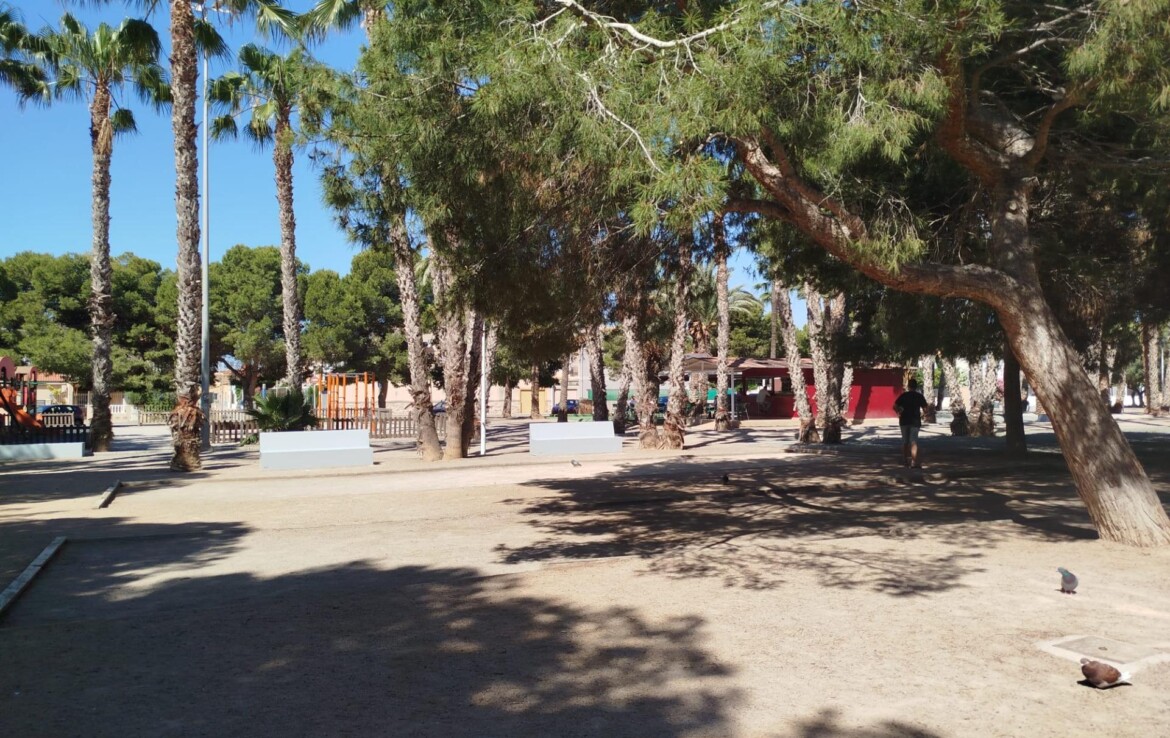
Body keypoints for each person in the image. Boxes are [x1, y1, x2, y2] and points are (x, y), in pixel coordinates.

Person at [894, 378, 930, 468]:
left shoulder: (903, 396)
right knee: (913, 441)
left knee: (905, 441)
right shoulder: (919, 396)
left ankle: (905, 460)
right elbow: (926, 409)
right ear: (916, 386)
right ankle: (913, 462)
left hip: (904, 421)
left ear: (908, 386)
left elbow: (894, 406)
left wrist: (899, 412)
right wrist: (923, 415)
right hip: (915, 421)